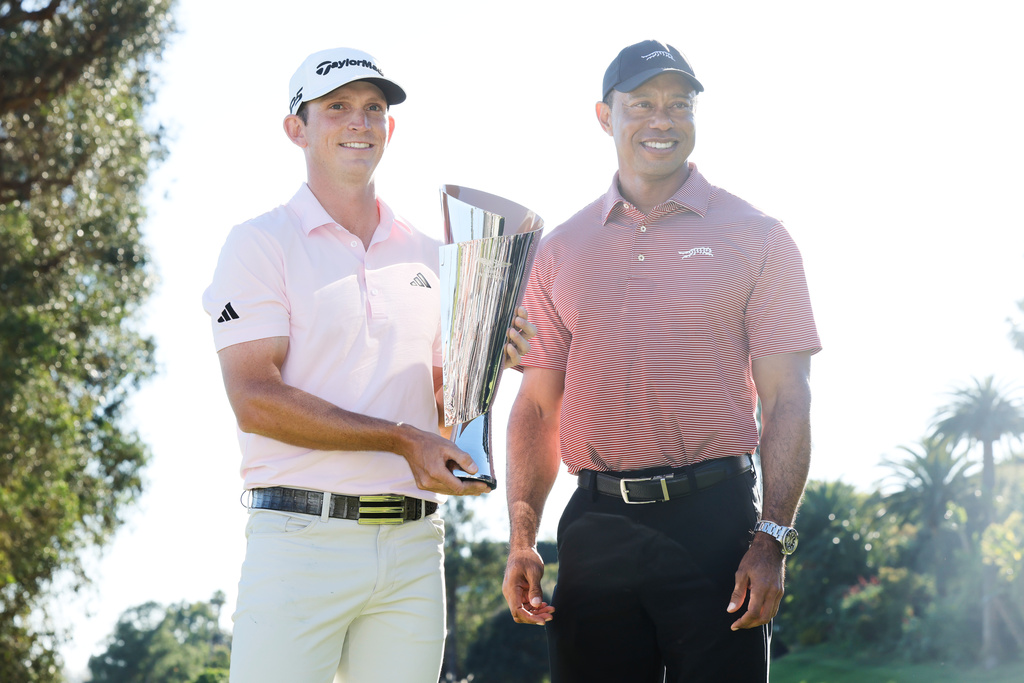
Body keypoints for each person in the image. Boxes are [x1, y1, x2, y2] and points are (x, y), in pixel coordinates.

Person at [202, 47, 533, 683]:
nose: (359, 122)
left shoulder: (434, 253)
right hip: (300, 539)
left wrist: (488, 359)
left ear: (390, 127)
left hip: (413, 546)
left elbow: (441, 407)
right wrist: (401, 438)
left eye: (373, 109)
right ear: (296, 129)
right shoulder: (259, 243)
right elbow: (255, 397)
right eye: (337, 108)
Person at [501, 39, 821, 682]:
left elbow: (788, 396)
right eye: (641, 103)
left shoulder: (757, 236)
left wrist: (773, 540)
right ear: (604, 115)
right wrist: (521, 538)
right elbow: (538, 405)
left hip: (717, 522)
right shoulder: (559, 249)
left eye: (679, 104)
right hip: (596, 526)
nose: (662, 119)